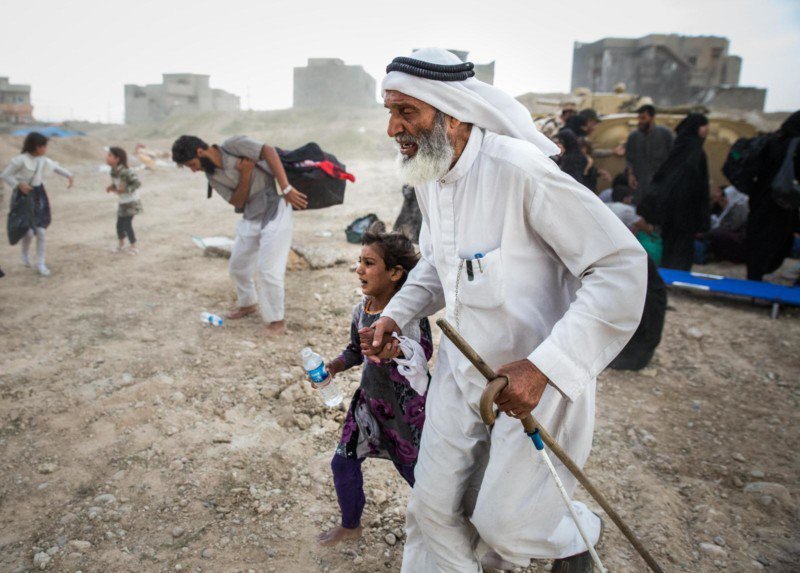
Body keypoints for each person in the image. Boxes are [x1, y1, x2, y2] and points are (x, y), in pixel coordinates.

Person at [363, 48, 647, 572]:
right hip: (461, 369)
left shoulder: (519, 172)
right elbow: (439, 265)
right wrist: (395, 315)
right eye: (389, 111)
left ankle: (574, 535)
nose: (392, 128)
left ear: (451, 113)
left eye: (407, 112)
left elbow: (619, 268)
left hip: (536, 382)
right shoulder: (431, 175)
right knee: (431, 507)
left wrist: (545, 367)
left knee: (507, 526)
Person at [318, 231, 433, 546]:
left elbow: (423, 350)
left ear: (395, 273)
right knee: (343, 461)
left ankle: (454, 528)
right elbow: (355, 350)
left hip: (405, 413)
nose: (359, 269)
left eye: (369, 263)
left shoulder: (407, 313)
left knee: (417, 476)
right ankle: (351, 524)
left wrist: (396, 350)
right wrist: (333, 367)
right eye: (359, 262)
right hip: (368, 404)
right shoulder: (362, 309)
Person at [171, 135, 308, 335]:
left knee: (268, 270)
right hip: (251, 215)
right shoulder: (212, 176)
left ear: (200, 152)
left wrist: (285, 187)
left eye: (192, 164)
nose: (194, 170)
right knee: (238, 266)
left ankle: (276, 321)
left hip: (276, 207)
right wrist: (245, 175)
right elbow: (237, 202)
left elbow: (268, 150)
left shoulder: (232, 146)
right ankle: (248, 303)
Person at [1, 132, 74, 276]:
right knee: (27, 232)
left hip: (39, 196)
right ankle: (24, 253)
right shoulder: (20, 160)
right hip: (22, 197)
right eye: (44, 146)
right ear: (37, 147)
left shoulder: (43, 160)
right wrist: (18, 184)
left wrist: (69, 175)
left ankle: (40, 263)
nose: (46, 149)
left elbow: (55, 167)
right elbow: (4, 175)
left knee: (41, 231)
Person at [745, 111, 800, 281]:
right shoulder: (795, 146)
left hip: (760, 199)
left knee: (758, 242)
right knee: (777, 243)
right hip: (782, 204)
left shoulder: (770, 141)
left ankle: (754, 279)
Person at [655, 113, 711, 270]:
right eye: (704, 125)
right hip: (686, 209)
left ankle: (668, 275)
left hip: (670, 208)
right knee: (683, 248)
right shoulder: (695, 151)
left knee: (670, 244)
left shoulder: (678, 147)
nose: (707, 130)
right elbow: (698, 184)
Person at [625, 105, 673, 202]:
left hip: (660, 184)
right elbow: (629, 159)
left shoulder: (665, 134)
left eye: (643, 118)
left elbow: (673, 158)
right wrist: (630, 175)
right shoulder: (634, 137)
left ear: (652, 118)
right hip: (639, 184)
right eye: (639, 118)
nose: (640, 121)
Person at [697, 186, 749, 264]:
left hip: (738, 237)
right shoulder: (728, 207)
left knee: (717, 233)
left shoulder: (740, 208)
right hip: (727, 233)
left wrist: (717, 228)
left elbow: (733, 226)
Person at [105, 147, 142, 254]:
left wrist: (125, 189)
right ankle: (121, 245)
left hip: (132, 201)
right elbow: (117, 184)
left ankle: (134, 247)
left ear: (117, 159)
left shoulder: (127, 171)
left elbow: (137, 183)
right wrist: (111, 187)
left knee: (127, 224)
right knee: (119, 225)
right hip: (123, 202)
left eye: (110, 156)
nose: (107, 158)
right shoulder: (113, 171)